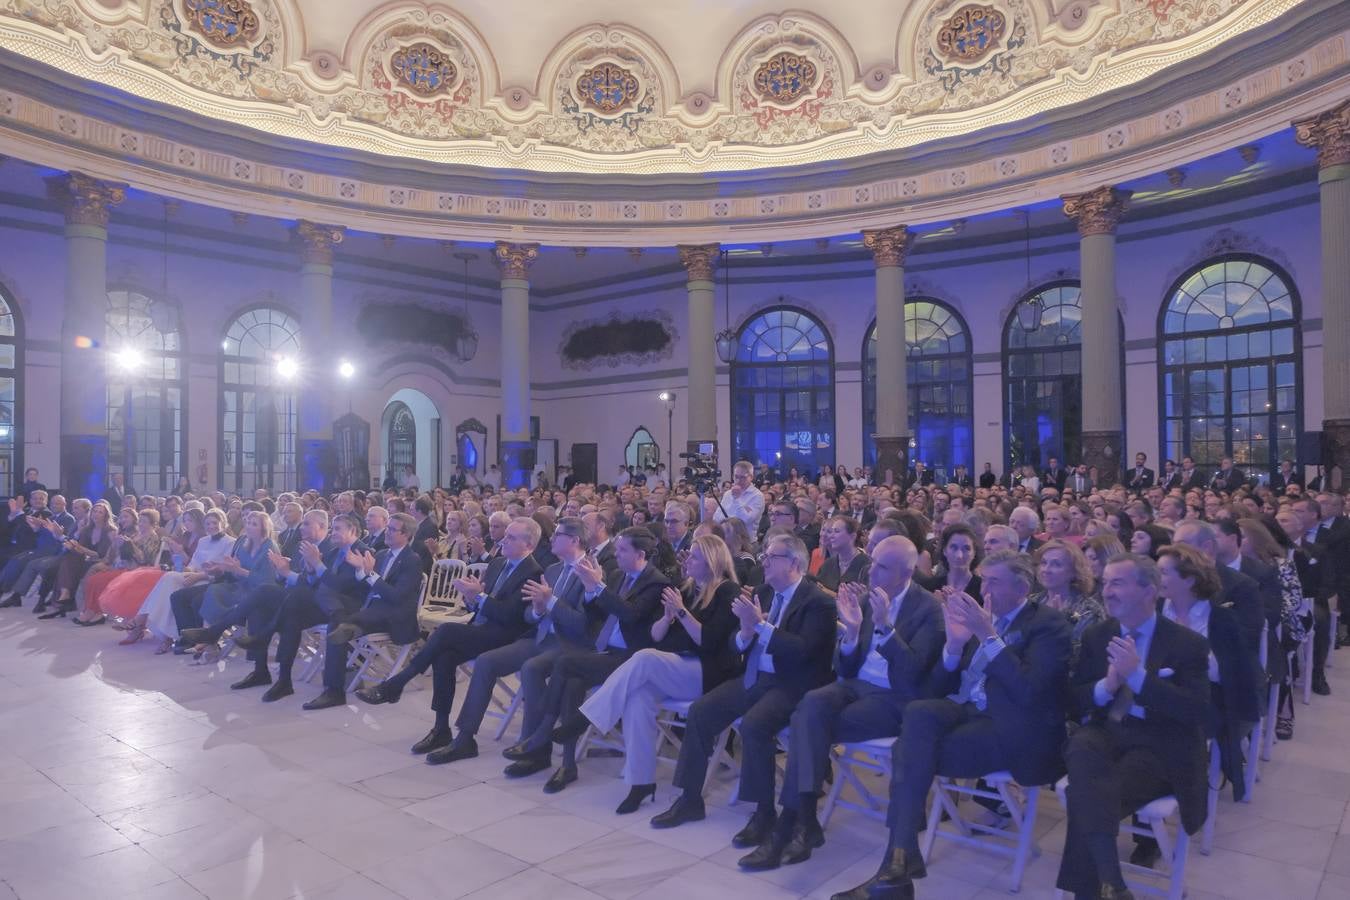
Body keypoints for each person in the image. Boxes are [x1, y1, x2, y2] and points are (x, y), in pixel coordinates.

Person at [834, 550, 1072, 900]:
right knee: (918, 712)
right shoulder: (979, 618)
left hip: (1011, 724)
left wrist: (988, 636)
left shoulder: (1048, 625)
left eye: (993, 582)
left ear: (1022, 587)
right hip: (966, 708)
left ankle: (896, 864)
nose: (984, 589)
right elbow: (936, 688)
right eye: (983, 580)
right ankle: (898, 862)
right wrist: (955, 645)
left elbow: (1029, 691)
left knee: (909, 752)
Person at [741, 535, 943, 871]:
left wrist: (885, 629)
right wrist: (851, 634)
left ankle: (791, 825)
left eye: (881, 566)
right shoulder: (869, 599)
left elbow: (912, 673)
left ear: (906, 572)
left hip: (893, 697)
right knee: (810, 706)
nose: (870, 571)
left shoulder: (928, 609)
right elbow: (846, 667)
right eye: (872, 562)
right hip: (853, 685)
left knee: (808, 726)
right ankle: (802, 824)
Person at [650, 534, 836, 845]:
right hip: (755, 677)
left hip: (793, 684)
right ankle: (689, 798)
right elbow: (734, 641)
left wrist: (761, 626)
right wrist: (747, 631)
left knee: (754, 725)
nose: (764, 561)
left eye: (771, 556)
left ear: (794, 563)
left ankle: (763, 813)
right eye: (764, 555)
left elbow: (804, 651)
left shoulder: (818, 601)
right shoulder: (762, 591)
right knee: (701, 711)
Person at [1055, 554, 1211, 899]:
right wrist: (1106, 687)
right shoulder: (1099, 636)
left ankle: (1101, 888)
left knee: (1088, 795)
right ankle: (1112, 883)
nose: (1106, 591)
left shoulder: (1187, 644)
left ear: (1149, 592)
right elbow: (1075, 700)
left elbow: (1198, 712)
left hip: (1158, 744)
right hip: (1106, 732)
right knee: (1081, 746)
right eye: (1105, 582)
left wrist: (1138, 678)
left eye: (1117, 583)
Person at [578, 533, 740, 814]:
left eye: (695, 556)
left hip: (708, 673)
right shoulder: (687, 589)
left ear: (712, 562)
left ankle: (589, 717)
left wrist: (681, 613)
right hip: (679, 667)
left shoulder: (727, 592)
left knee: (644, 658)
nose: (687, 559)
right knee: (638, 697)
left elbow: (708, 642)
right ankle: (640, 782)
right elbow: (657, 637)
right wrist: (667, 617)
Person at [502, 526, 670, 793]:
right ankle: (567, 765)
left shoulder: (656, 582)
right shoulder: (617, 575)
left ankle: (543, 733)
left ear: (640, 554)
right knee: (571, 683)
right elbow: (594, 615)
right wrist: (593, 592)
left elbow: (630, 615)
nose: (616, 554)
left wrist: (598, 587)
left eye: (622, 550)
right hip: (602, 650)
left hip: (631, 660)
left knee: (565, 664)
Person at [354, 518, 543, 753]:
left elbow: (510, 616)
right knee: (444, 656)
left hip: (505, 637)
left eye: (512, 537)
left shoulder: (533, 572)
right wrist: (471, 598)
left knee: (446, 631)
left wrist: (481, 598)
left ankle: (397, 683)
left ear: (530, 544)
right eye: (507, 535)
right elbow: (481, 604)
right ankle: (441, 729)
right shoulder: (498, 564)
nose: (504, 539)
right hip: (482, 628)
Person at [1157, 544, 1262, 802]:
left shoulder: (1221, 619)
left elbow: (1228, 675)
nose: (1155, 579)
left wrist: (1187, 650)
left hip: (1206, 698)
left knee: (1171, 730)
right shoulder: (1156, 608)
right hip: (1156, 692)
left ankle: (1176, 791)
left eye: (1163, 572)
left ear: (1189, 578)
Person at [130, 509, 233, 651]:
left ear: (224, 523)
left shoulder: (230, 542)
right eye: (208, 523)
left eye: (215, 523)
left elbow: (225, 570)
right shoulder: (203, 541)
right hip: (194, 575)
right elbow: (194, 563)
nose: (211, 526)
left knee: (172, 584)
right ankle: (172, 634)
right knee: (168, 578)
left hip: (211, 579)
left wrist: (199, 575)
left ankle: (146, 621)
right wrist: (188, 570)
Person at [1032, 540, 1106, 660]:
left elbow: (1082, 656)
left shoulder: (1089, 610)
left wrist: (1059, 627)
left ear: (1074, 571)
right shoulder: (1032, 602)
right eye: (1044, 563)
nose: (1046, 569)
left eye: (1056, 564)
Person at [917, 523, 982, 605]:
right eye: (954, 548)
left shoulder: (983, 588)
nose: (959, 555)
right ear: (944, 551)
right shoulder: (930, 587)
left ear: (974, 552)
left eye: (966, 548)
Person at [814, 515, 870, 594]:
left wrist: (830, 593)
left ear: (853, 536)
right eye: (832, 531)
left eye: (836, 531)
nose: (831, 536)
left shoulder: (866, 565)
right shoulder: (828, 564)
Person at [716, 461, 766, 534]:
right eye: (736, 477)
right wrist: (743, 509)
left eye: (742, 477)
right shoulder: (728, 494)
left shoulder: (757, 496)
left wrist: (736, 499)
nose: (738, 481)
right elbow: (717, 517)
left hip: (746, 541)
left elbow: (744, 520)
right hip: (726, 538)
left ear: (751, 477)